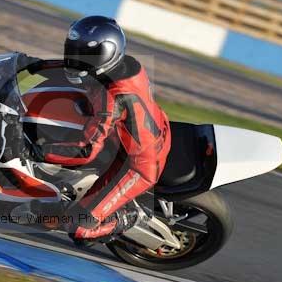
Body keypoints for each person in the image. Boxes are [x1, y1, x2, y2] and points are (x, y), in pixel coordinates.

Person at [15, 15, 171, 245]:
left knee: (79, 229)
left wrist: (34, 151)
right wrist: (32, 64)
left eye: (86, 55)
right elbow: (73, 68)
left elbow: (85, 152)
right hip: (140, 135)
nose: (77, 59)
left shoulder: (114, 98)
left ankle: (129, 217)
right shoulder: (123, 64)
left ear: (107, 54)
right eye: (74, 51)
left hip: (137, 166)